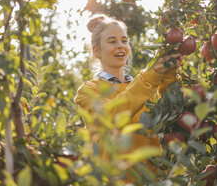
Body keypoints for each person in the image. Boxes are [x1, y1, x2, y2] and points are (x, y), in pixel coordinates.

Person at [74, 15, 183, 178]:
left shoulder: (144, 86)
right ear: (97, 50)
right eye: (112, 41)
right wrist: (150, 77)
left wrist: (169, 74)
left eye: (124, 41)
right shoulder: (89, 90)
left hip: (154, 180)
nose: (120, 46)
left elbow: (172, 115)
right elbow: (111, 116)